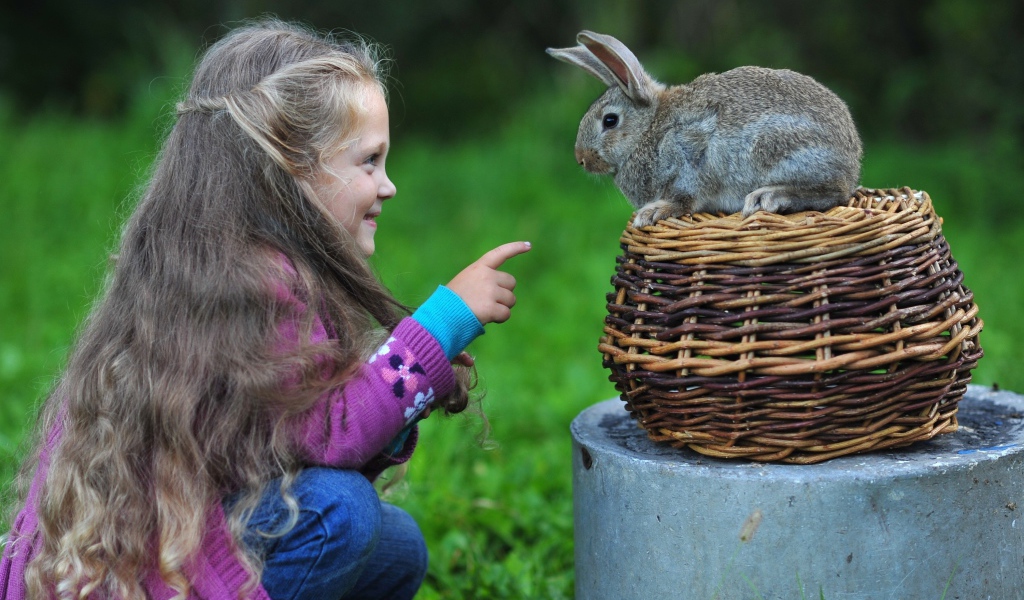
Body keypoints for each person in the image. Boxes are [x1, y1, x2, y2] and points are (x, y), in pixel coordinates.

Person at [0, 18, 530, 599]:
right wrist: (444, 322)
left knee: (396, 545)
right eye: (369, 162)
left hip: (178, 551)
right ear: (290, 167)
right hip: (143, 578)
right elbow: (336, 433)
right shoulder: (248, 281)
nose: (388, 186)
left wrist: (406, 384)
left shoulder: (228, 265)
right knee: (341, 515)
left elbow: (300, 440)